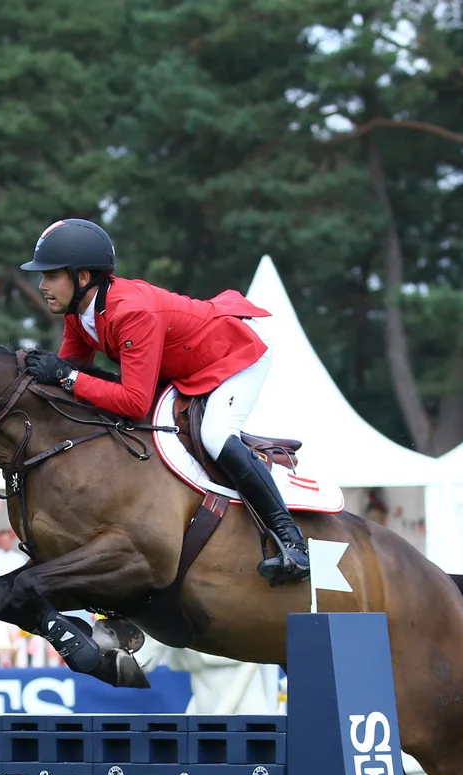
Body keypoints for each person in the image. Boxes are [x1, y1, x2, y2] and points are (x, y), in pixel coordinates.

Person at [18, 218, 307, 586]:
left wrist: (66, 376)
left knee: (216, 435)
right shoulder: (78, 310)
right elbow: (71, 372)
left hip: (233, 352)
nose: (42, 285)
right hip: (183, 363)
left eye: (51, 275)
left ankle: (291, 540)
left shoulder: (131, 311)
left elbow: (131, 400)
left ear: (84, 277)